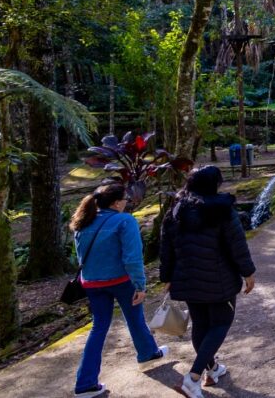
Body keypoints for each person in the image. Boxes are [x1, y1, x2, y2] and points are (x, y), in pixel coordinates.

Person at [160, 166, 257, 398]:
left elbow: (166, 247)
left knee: (202, 325)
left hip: (187, 279)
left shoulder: (176, 209)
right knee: (221, 323)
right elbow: (237, 244)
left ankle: (211, 370)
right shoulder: (222, 208)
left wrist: (167, 277)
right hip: (219, 279)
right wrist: (248, 273)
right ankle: (192, 379)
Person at [71, 183, 167, 398]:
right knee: (135, 319)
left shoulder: (83, 222)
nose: (128, 201)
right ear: (115, 202)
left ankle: (85, 383)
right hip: (122, 281)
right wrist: (140, 285)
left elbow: (79, 257)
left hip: (92, 283)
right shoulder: (125, 221)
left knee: (99, 328)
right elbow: (132, 258)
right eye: (125, 198)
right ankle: (147, 353)